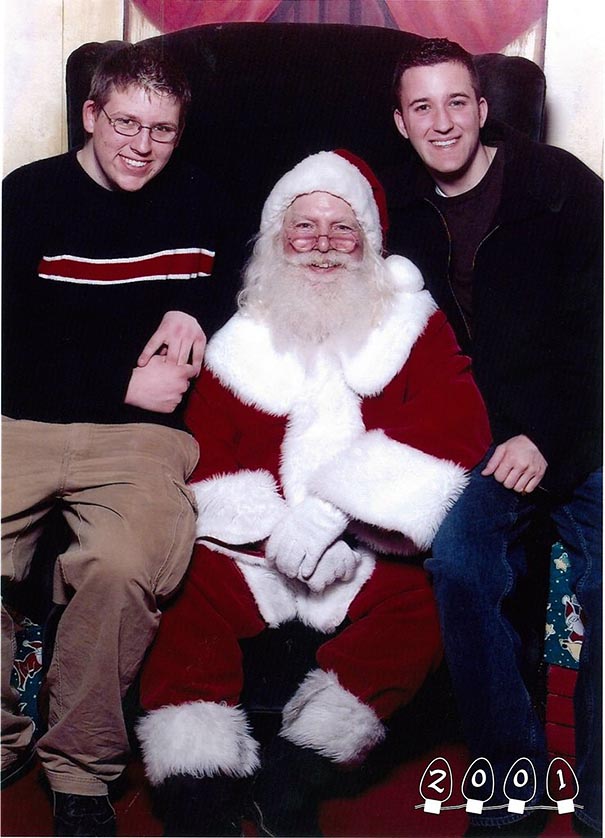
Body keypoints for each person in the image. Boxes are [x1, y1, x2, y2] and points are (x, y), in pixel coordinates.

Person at [135, 150, 492, 837]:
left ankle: (298, 769)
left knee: (427, 602)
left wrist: (334, 517)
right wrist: (277, 535)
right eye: (303, 228)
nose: (322, 245)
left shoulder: (414, 323)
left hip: (367, 544)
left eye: (341, 228)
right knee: (185, 592)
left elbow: (454, 425)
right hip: (259, 547)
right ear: (277, 238)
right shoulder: (239, 338)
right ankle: (198, 782)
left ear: (368, 243)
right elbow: (209, 451)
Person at [1, 42, 238, 836]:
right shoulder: (27, 196)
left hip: (139, 443)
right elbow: (10, 348)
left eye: (162, 130)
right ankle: (3, 743)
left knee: (128, 560)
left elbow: (252, 276)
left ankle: (80, 771)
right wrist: (119, 381)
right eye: (125, 123)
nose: (141, 146)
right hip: (23, 420)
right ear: (91, 115)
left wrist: (198, 311)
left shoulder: (204, 197)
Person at [386, 38, 603, 834]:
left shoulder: (562, 188)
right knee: (460, 562)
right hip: (480, 437)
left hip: (581, 426)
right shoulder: (397, 211)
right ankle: (513, 778)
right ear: (401, 122)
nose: (440, 123)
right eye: (421, 107)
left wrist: (547, 434)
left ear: (482, 110)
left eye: (455, 103)